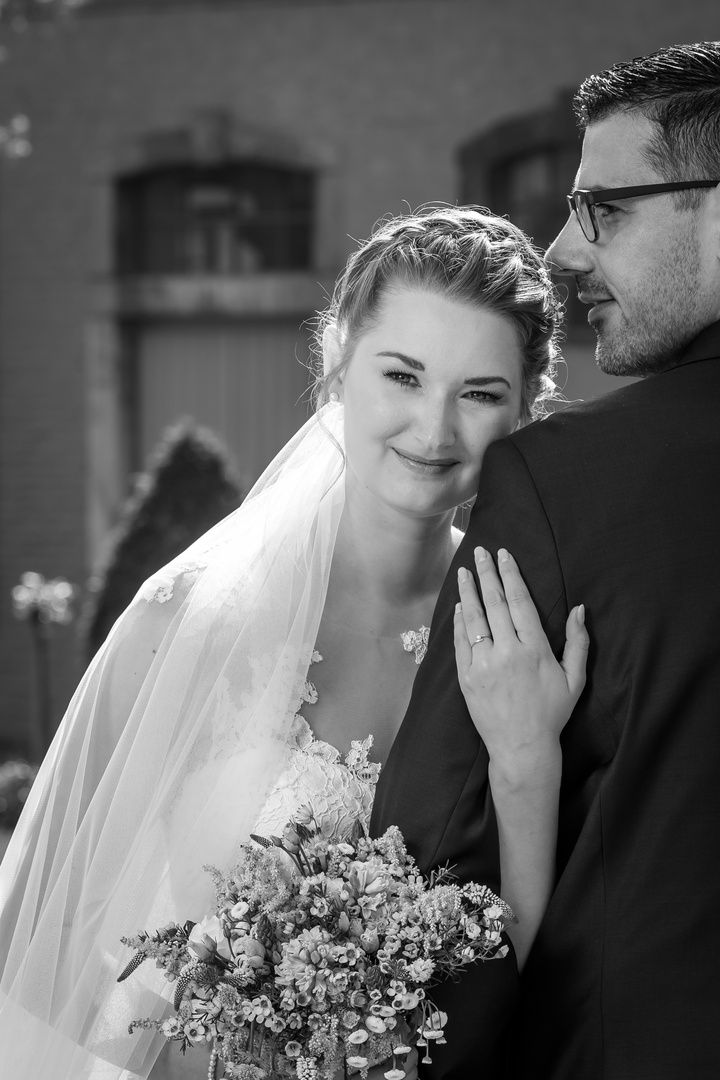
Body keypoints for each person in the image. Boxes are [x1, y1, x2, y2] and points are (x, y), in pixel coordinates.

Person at [0, 206, 588, 1080]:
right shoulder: (186, 621)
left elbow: (528, 967)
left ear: (524, 411)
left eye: (479, 393)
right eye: (402, 375)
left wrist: (531, 764)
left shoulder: (516, 638)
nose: (434, 430)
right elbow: (50, 948)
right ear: (339, 365)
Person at [372, 41, 720, 1080]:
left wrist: (527, 765)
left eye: (604, 209)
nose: (564, 249)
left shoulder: (562, 482)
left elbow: (431, 869)